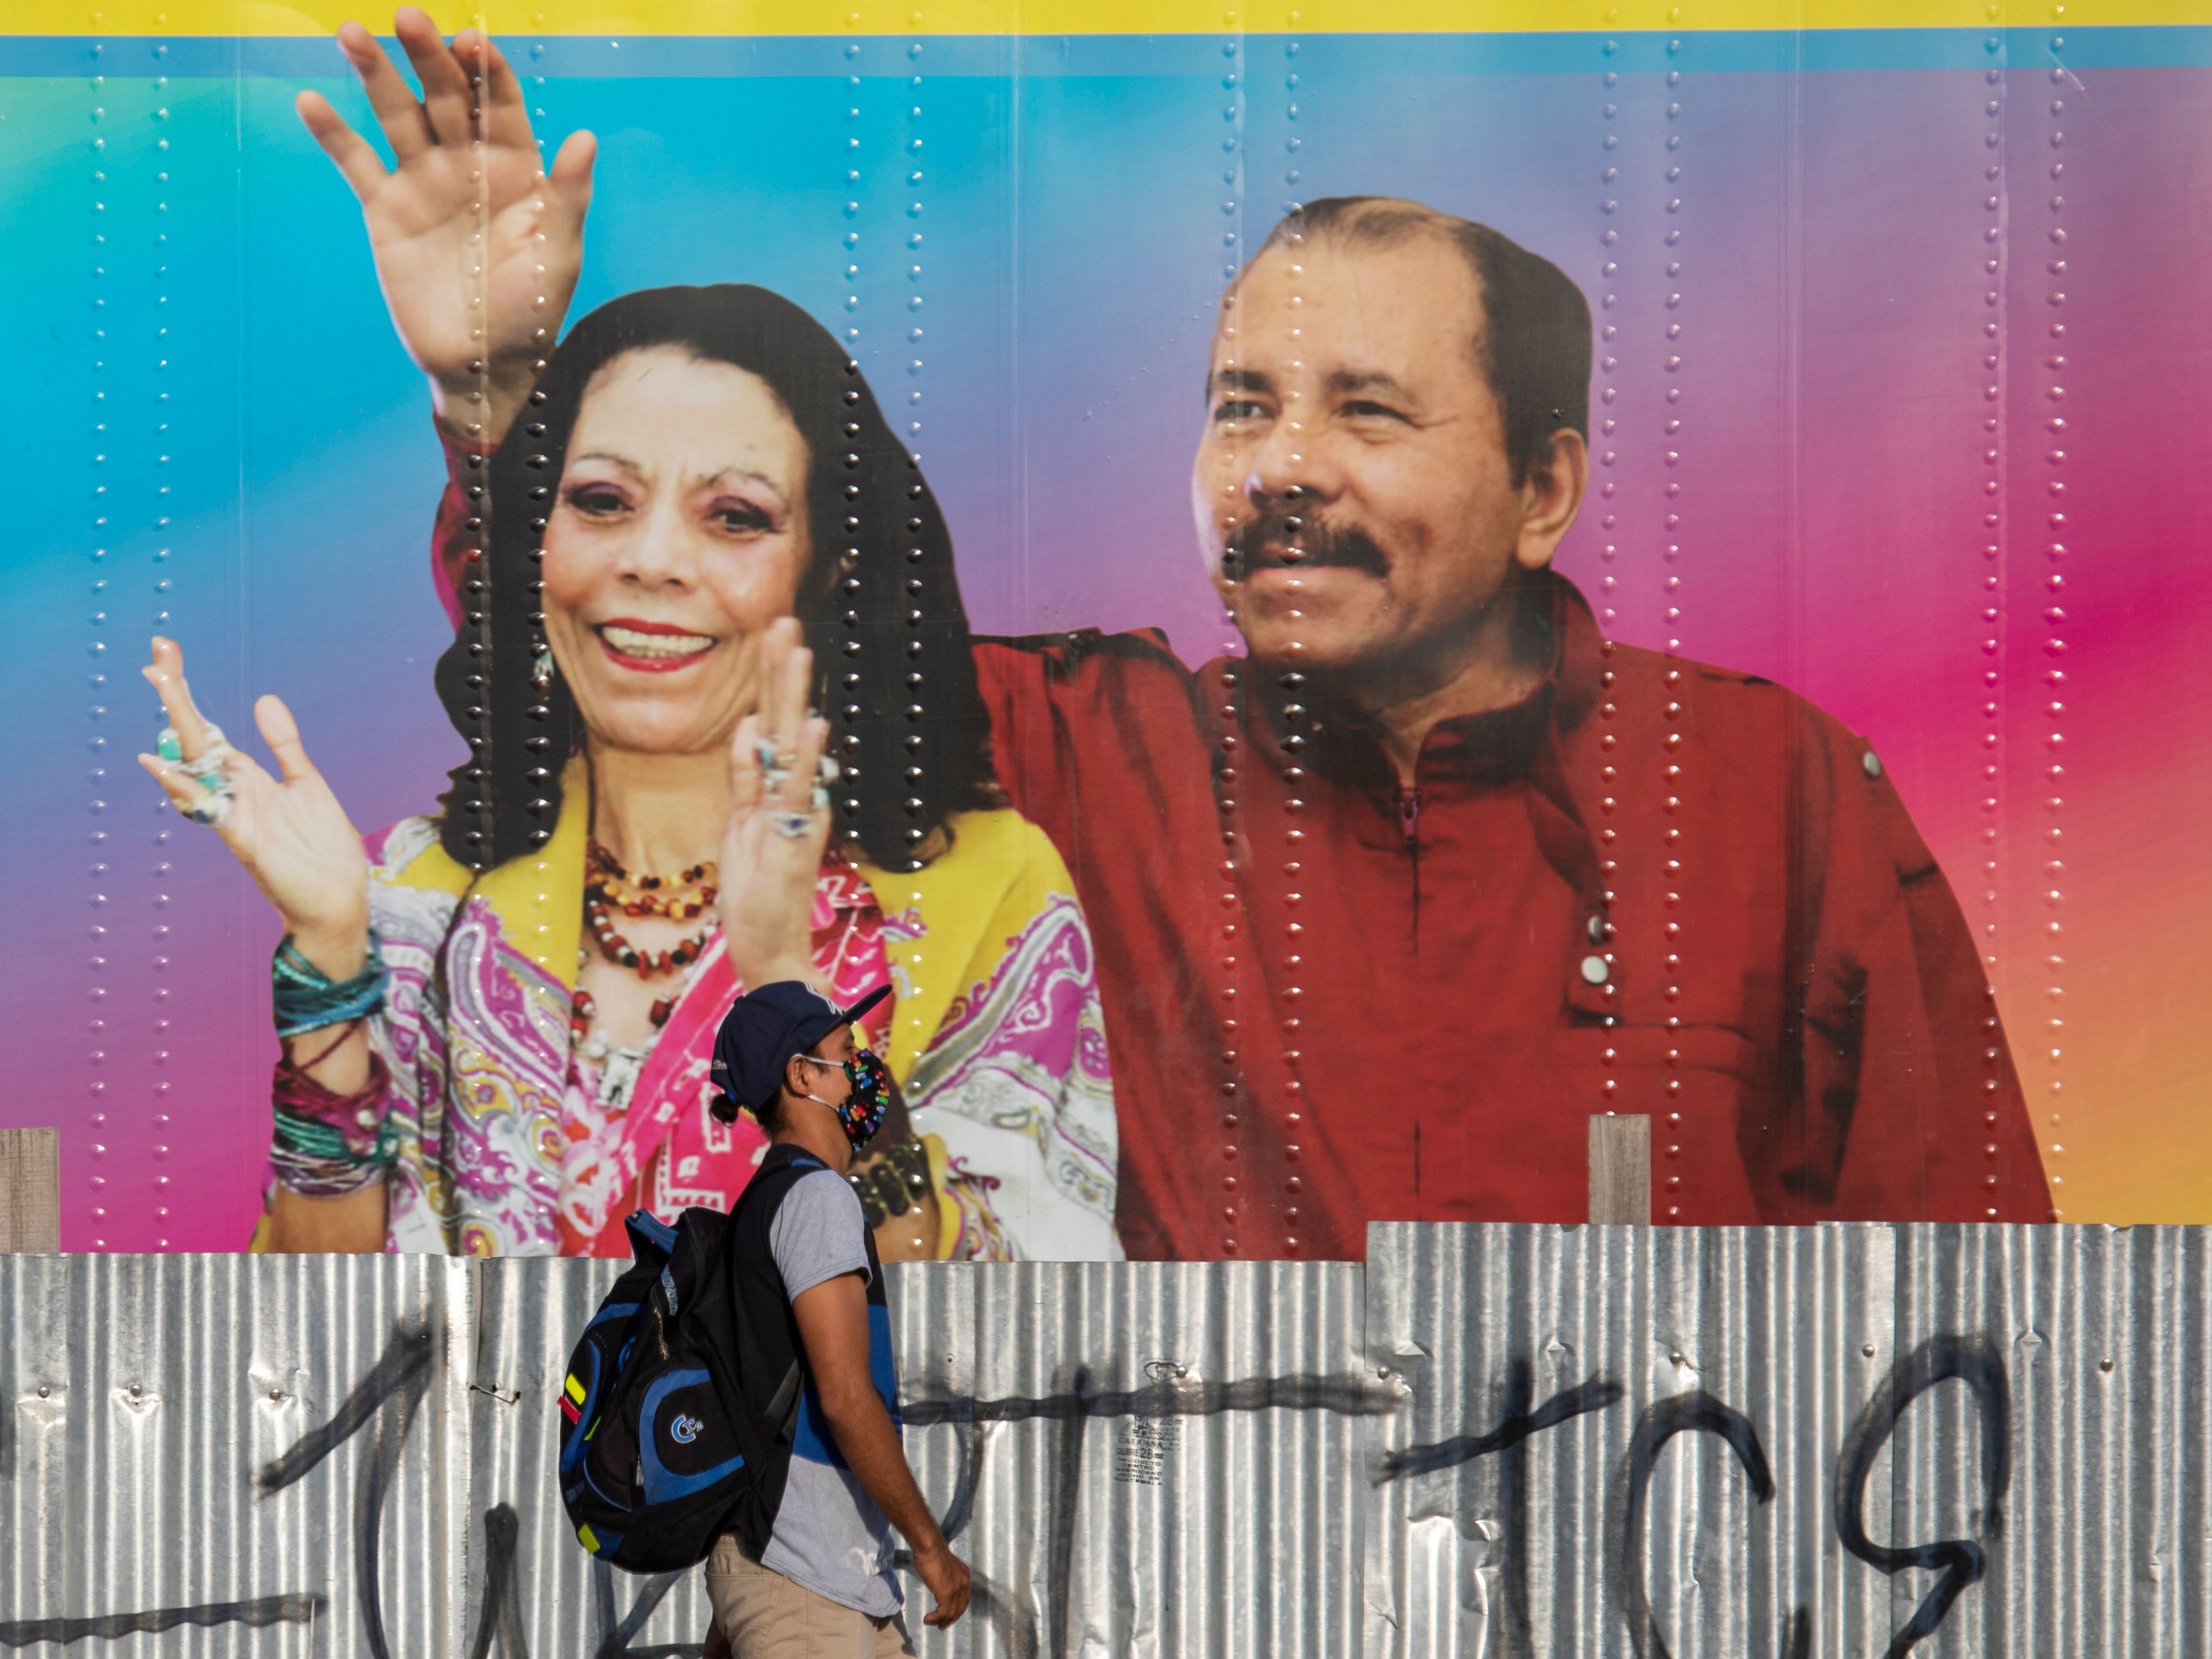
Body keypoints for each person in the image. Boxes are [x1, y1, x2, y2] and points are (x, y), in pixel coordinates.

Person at [319, 16, 2051, 1256]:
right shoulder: (1100, 757)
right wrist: (496, 396)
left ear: (1544, 486)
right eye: (1242, 408)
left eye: (1364, 411)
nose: (1283, 470)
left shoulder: (1766, 792)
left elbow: (1978, 1295)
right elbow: (675, 665)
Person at [136, 282, 1119, 1260]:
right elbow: (316, 1346)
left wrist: (788, 989)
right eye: (602, 501)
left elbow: (1004, 1328)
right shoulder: (412, 899)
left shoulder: (986, 890)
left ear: (827, 567)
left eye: (734, 517)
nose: (652, 561)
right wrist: (328, 963)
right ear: (539, 544)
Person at [700, 978, 970, 1657]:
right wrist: (930, 1547)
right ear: (801, 1075)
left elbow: (762, 1408)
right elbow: (846, 1399)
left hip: (825, 1584)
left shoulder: (766, 1203)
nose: (862, 1073)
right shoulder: (816, 1199)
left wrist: (735, 1609)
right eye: (846, 1052)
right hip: (805, 1591)